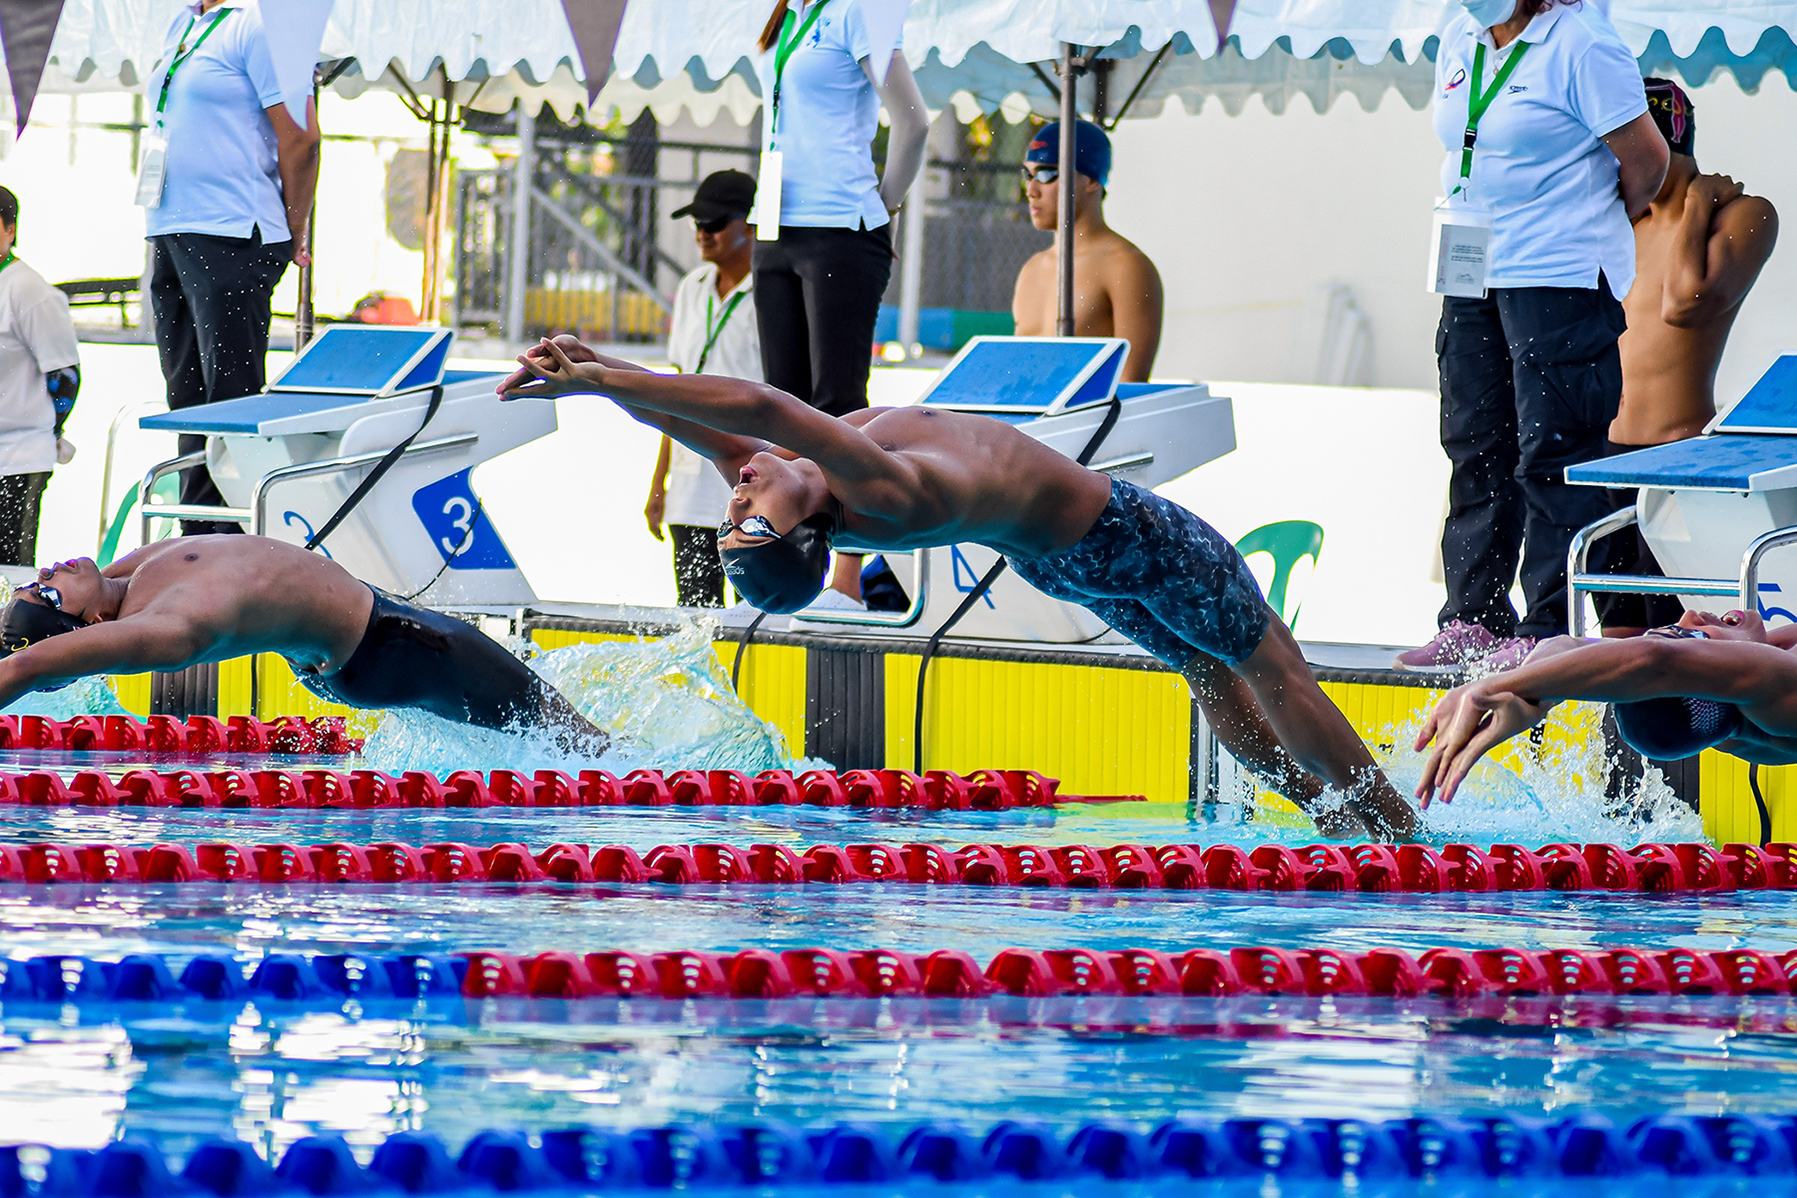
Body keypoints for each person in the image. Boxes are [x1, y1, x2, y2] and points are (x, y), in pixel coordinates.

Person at [500, 337, 1419, 841]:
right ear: (802, 531)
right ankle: (1402, 840)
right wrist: (614, 373)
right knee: (1274, 666)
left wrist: (586, 385)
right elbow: (761, 408)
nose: (736, 491)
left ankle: (1331, 815)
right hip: (1117, 532)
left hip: (1061, 558)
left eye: (740, 503)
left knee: (1214, 679)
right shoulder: (874, 488)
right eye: (750, 513)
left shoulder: (800, 481)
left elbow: (723, 435)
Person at [1396, 0, 1669, 674]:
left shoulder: (1579, 41)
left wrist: (1580, 222)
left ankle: (1550, 625)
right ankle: (1474, 620)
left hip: (1558, 271)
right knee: (1473, 442)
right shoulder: (1457, 34)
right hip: (1470, 266)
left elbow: (1646, 161)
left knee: (1552, 448)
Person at [0, 539, 607, 755]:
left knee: (521, 733)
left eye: (35, 583)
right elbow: (29, 665)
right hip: (392, 647)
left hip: (364, 639)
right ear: (92, 627)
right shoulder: (165, 625)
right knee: (577, 737)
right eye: (47, 594)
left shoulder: (128, 578)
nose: (46, 573)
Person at [751, 0, 928, 603]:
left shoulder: (858, 9)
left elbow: (914, 122)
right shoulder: (787, 14)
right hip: (774, 226)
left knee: (838, 407)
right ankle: (789, 566)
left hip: (841, 226)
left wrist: (884, 206)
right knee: (780, 409)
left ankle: (848, 577)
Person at [1597, 78, 1780, 636]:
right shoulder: (1618, 220)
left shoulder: (1745, 213)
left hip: (1678, 461)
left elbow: (1685, 302)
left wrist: (1697, 204)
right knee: (1613, 634)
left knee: (1676, 635)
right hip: (1603, 457)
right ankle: (1616, 729)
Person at [139, 0, 321, 534]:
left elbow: (301, 136)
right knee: (186, 397)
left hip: (234, 230)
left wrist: (295, 224)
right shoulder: (185, 21)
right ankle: (195, 535)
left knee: (230, 398)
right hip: (172, 226)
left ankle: (232, 544)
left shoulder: (256, 23)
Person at [1415, 610, 1797, 806]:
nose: (1690, 616)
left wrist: (1529, 696)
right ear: (1725, 682)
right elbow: (1653, 659)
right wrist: (1492, 686)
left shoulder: (1743, 715)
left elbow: (1569, 645)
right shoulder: (1783, 699)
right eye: (1694, 639)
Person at [646, 170, 762, 608]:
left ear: (749, 224)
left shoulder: (773, 292)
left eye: (713, 223)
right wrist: (660, 482)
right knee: (695, 618)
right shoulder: (691, 287)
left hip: (751, 486)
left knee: (755, 618)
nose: (702, 233)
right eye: (696, 224)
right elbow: (674, 389)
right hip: (690, 489)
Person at [1011, 119, 1164, 383]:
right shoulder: (1031, 270)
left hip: (1092, 425)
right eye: (1028, 174)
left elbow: (1129, 386)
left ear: (1092, 180)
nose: (1031, 190)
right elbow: (1019, 379)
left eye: (1047, 174)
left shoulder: (1126, 267)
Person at [0, 187, 79, 566]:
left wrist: (50, 430)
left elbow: (66, 377)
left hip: (17, 457)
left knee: (8, 574)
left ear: (10, 230)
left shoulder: (27, 290)